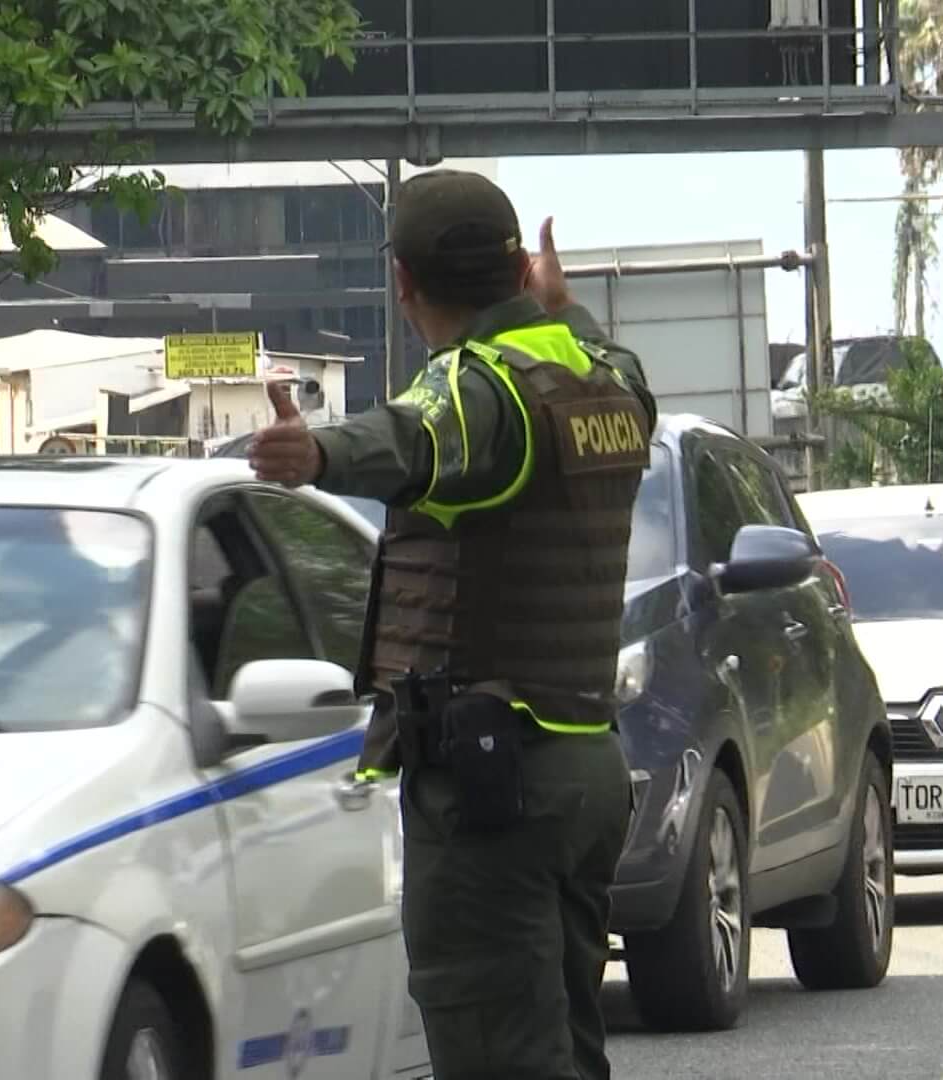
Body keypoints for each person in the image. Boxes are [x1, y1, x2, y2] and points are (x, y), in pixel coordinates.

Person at [247, 170, 656, 1080]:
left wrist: (318, 449)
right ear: (518, 265)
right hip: (584, 765)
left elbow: (419, 436)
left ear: (401, 284)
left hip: (493, 786)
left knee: (499, 1055)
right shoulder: (609, 382)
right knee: (565, 1051)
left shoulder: (480, 391)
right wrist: (563, 309)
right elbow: (610, 360)